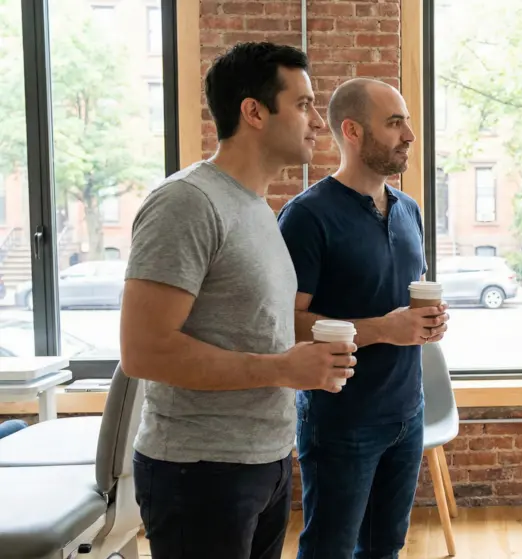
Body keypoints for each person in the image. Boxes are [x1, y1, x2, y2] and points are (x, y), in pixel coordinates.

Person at [119, 42, 356, 559]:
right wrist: (282, 369)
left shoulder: (257, 209)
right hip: (199, 471)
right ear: (253, 111)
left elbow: (256, 327)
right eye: (303, 104)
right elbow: (144, 351)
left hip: (264, 461)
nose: (318, 121)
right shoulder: (187, 202)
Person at [277, 78, 449, 559]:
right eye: (395, 123)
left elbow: (399, 300)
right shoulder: (306, 217)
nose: (409, 134)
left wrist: (429, 323)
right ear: (351, 131)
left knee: (385, 548)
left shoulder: (409, 210)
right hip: (341, 421)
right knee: (329, 549)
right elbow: (284, 322)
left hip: (407, 413)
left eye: (407, 121)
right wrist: (381, 330)